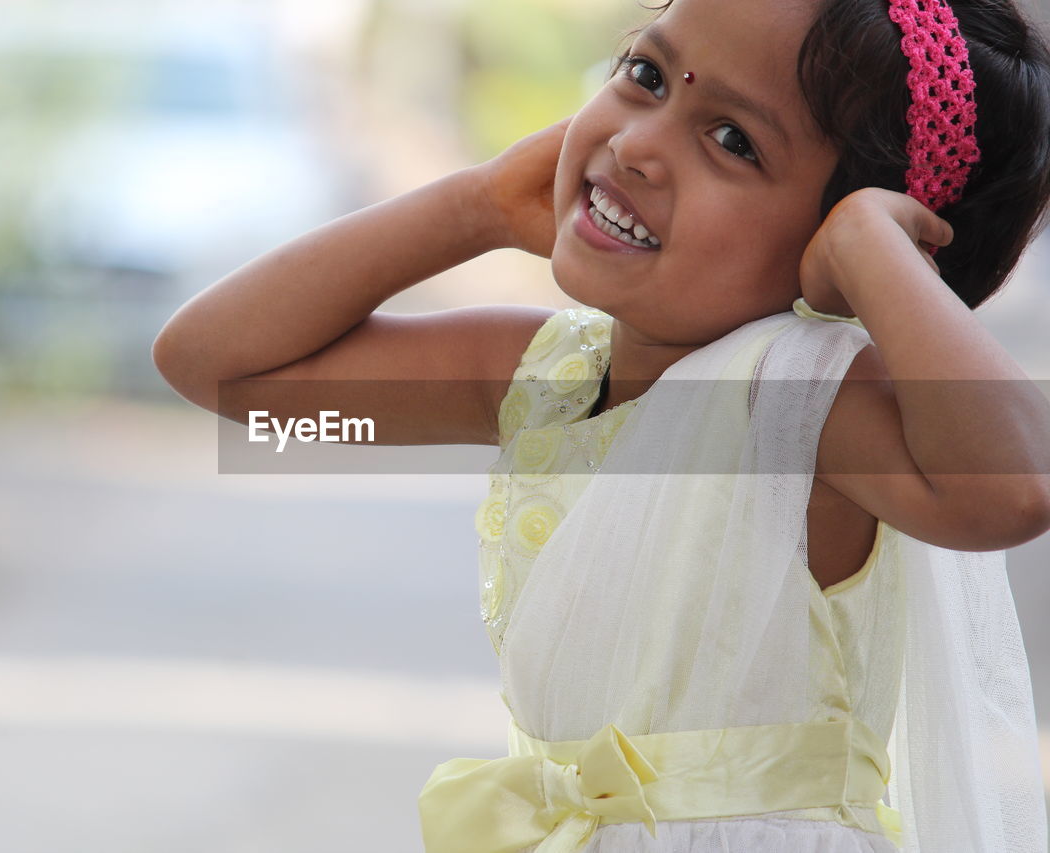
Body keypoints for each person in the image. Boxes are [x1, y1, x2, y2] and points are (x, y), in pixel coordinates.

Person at [153, 0, 1050, 850]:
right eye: (647, 75)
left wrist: (868, 249)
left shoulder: (801, 401)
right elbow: (232, 386)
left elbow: (1014, 490)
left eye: (734, 141)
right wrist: (477, 207)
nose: (635, 145)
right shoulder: (540, 380)